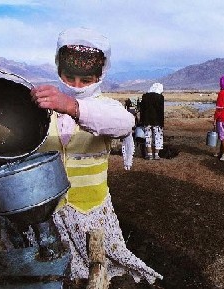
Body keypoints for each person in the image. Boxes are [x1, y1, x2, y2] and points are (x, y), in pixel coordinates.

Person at [30, 27, 163, 284]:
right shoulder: (42, 110)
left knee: (101, 273)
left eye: (86, 81)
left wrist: (71, 106)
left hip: (92, 215)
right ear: (59, 71)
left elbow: (124, 123)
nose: (76, 86)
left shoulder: (107, 108)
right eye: (68, 78)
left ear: (99, 77)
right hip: (48, 218)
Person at [139, 83, 165, 160]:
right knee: (158, 138)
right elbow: (161, 111)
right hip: (157, 121)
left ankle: (149, 155)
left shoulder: (145, 96)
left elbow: (142, 110)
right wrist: (162, 123)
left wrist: (141, 120)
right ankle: (156, 155)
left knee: (147, 137)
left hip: (146, 121)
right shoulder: (160, 97)